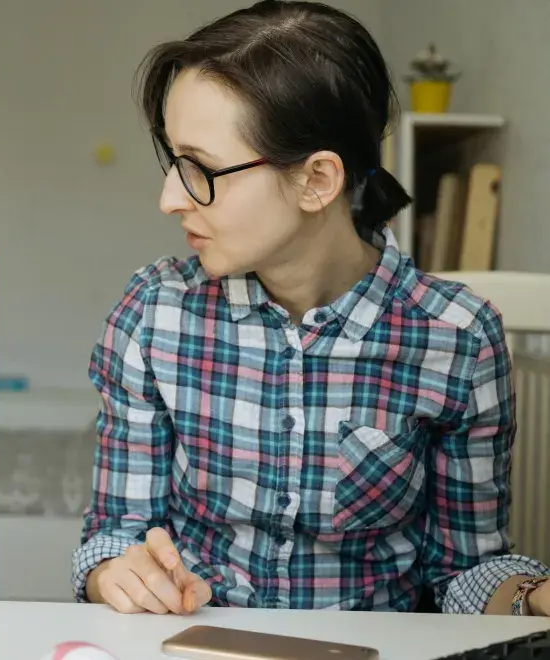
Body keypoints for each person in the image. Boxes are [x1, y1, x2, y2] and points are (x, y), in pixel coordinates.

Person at [72, 0, 550, 616]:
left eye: (201, 169)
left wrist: (533, 597)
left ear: (318, 180)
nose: (169, 198)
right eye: (172, 161)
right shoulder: (154, 317)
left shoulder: (457, 339)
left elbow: (464, 571)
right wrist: (119, 571)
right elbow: (113, 536)